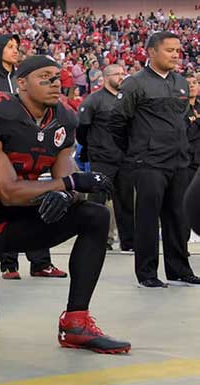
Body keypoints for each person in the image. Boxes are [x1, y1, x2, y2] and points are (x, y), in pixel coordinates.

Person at [0, 55, 131, 355]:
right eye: (45, 77)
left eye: (57, 77)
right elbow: (7, 191)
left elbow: (67, 178)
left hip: (22, 224)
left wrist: (65, 194)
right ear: (21, 83)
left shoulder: (63, 117)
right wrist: (68, 186)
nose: (55, 83)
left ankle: (75, 322)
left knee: (95, 216)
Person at [109, 32, 200, 288]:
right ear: (151, 52)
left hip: (179, 161)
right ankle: (147, 273)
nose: (175, 55)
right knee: (148, 219)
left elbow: (181, 120)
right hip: (148, 163)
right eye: (169, 50)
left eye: (177, 50)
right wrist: (136, 151)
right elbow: (117, 122)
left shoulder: (181, 82)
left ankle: (179, 269)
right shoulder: (134, 84)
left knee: (178, 217)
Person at [0, 34, 64, 279]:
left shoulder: (26, 77)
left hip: (35, 150)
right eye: (10, 47)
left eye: (17, 47)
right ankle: (9, 264)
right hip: (1, 155)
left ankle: (41, 262)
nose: (15, 51)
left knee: (38, 201)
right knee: (8, 201)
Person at [77, 64, 134, 252]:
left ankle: (129, 242)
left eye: (123, 74)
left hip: (124, 157)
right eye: (117, 74)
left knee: (126, 202)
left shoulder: (126, 99)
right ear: (106, 77)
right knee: (97, 200)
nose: (121, 77)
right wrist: (90, 148)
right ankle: (95, 240)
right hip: (102, 157)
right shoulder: (94, 100)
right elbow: (82, 128)